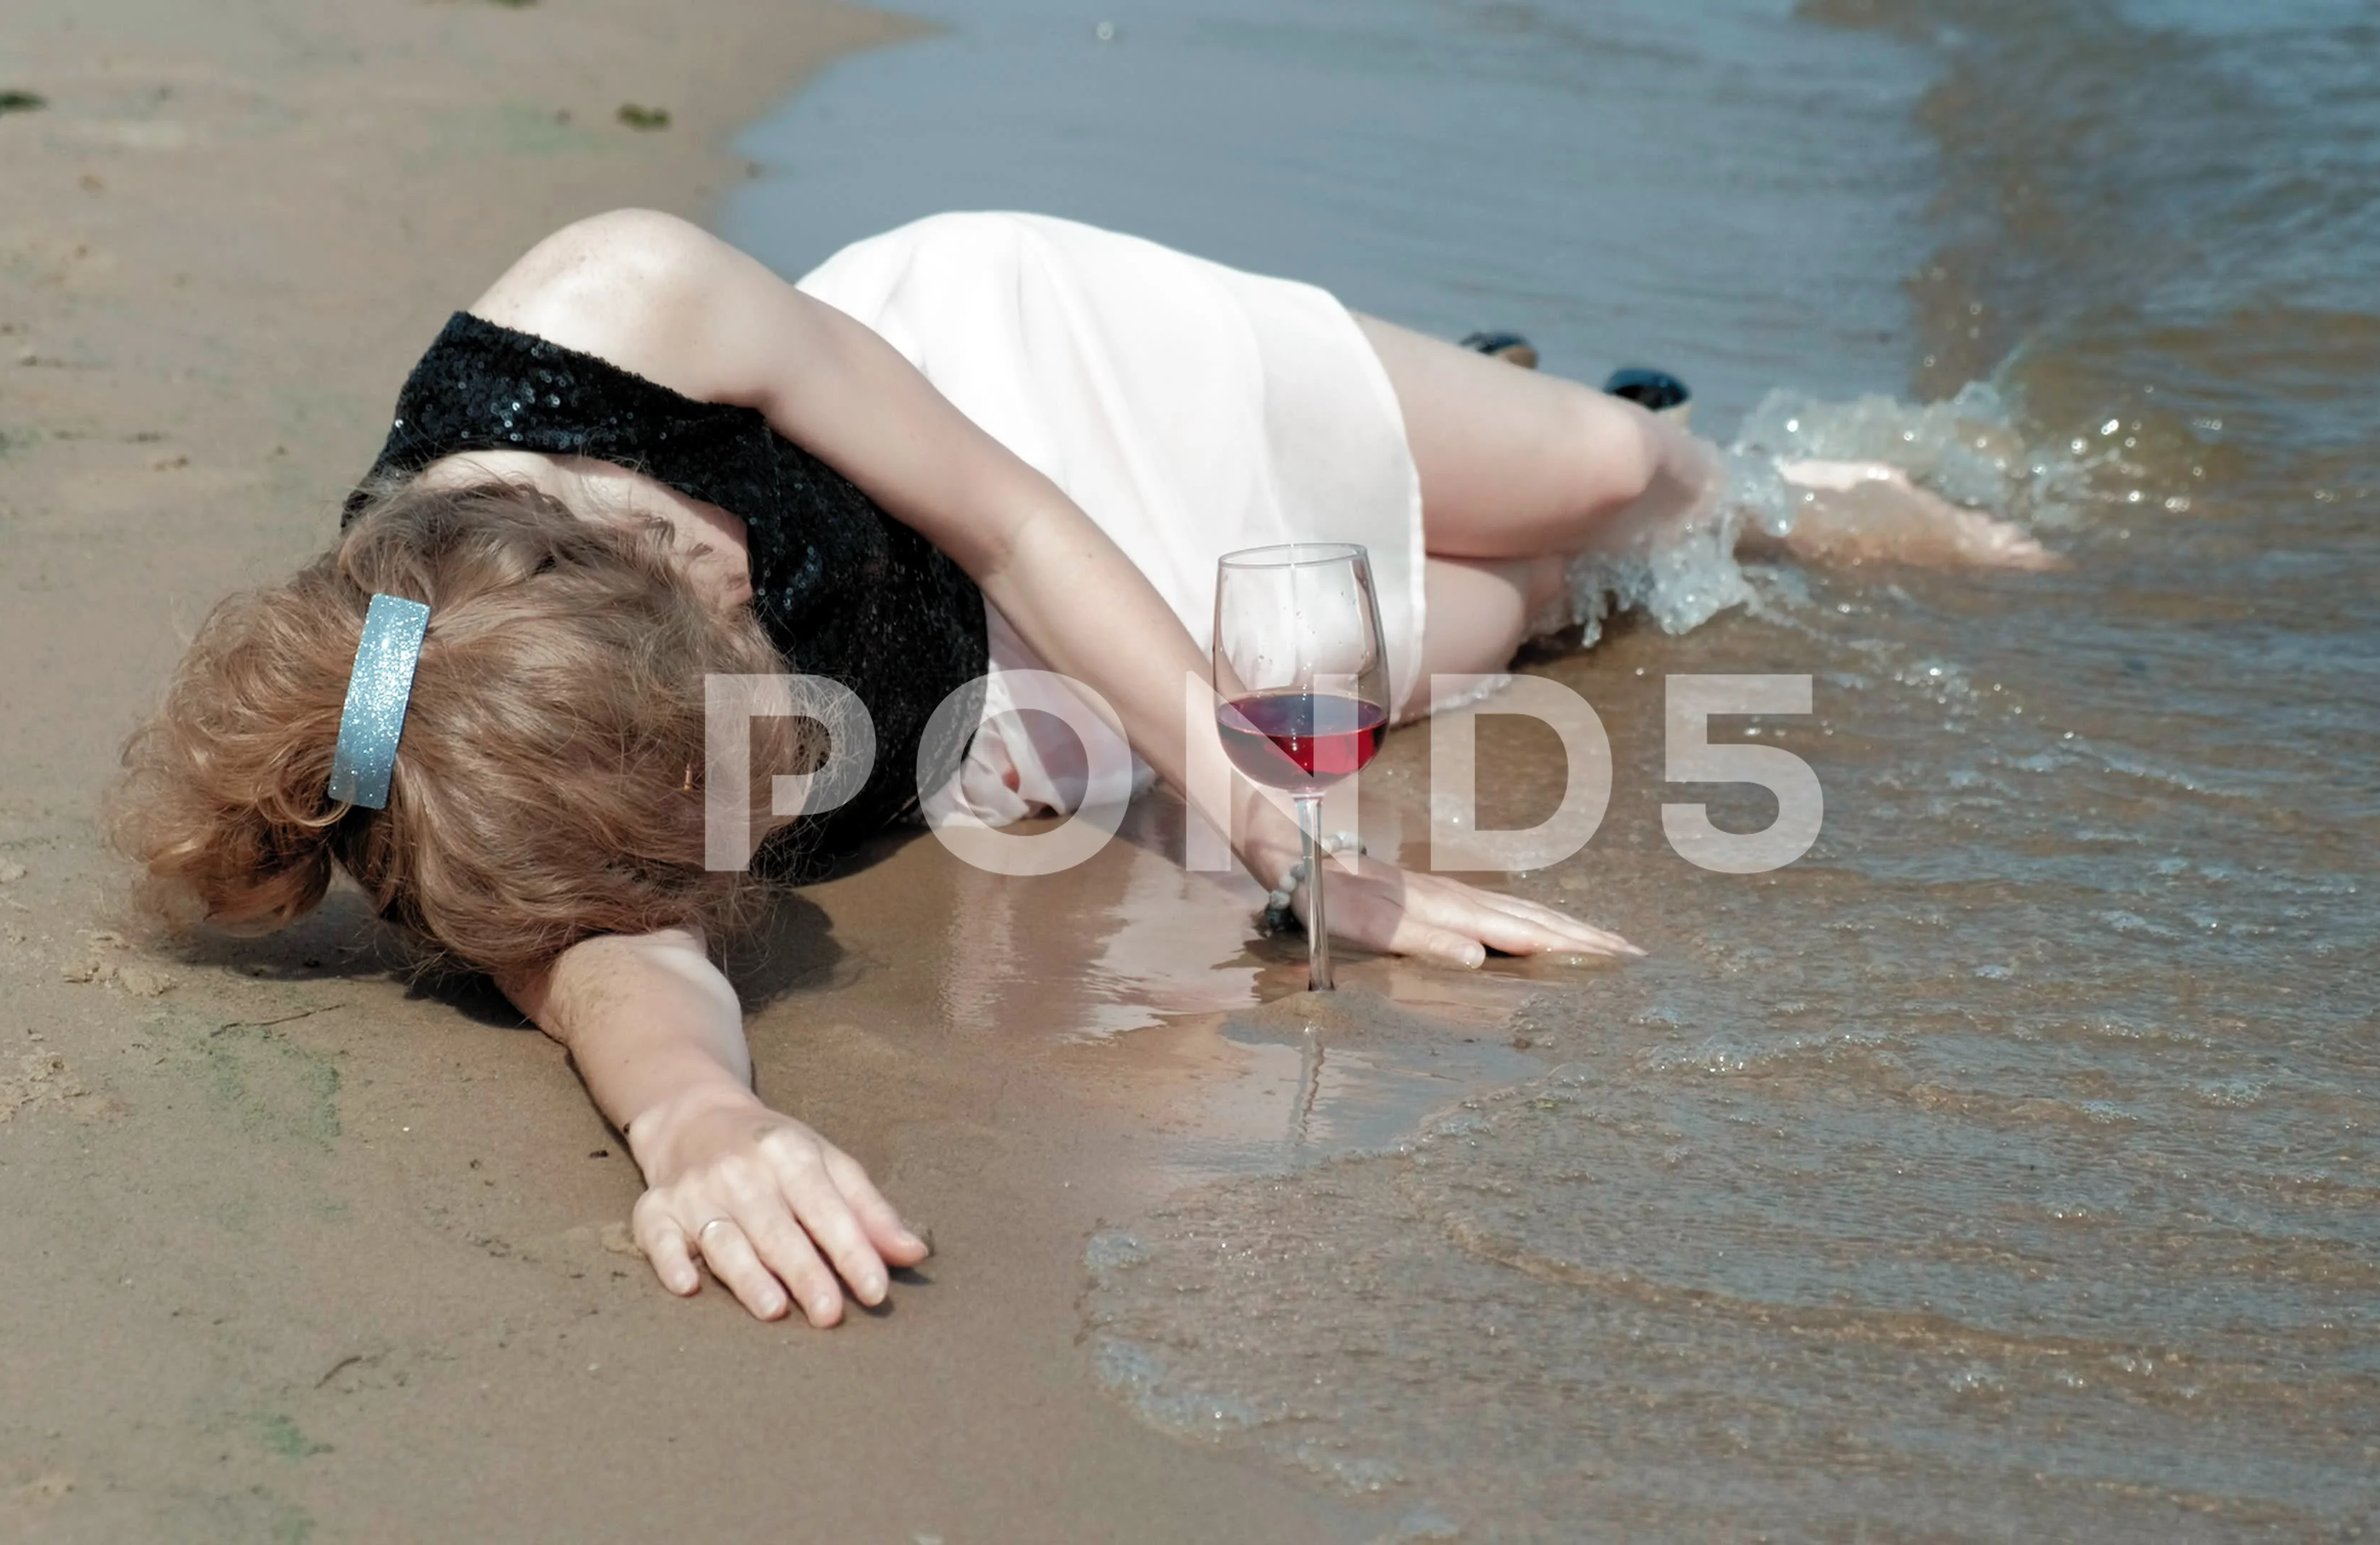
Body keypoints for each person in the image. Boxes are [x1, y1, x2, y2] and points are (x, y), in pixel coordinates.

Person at [113, 209, 2050, 1327]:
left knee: (1616, 481)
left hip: (1029, 422)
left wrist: (1303, 849)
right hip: (1013, 703)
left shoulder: (613, 308)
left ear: (620, 530)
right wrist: (698, 1125)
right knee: (1502, 613)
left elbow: (1020, 518)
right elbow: (622, 974)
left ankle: (1780, 493)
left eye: (733, 611)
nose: (779, 691)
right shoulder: (474, 785)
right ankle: (1512, 510)